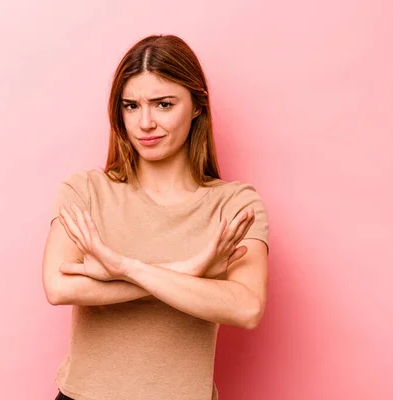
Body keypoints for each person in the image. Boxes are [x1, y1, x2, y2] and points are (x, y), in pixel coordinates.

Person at [42, 34, 270, 400]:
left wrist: (125, 267)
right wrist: (191, 268)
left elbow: (245, 307)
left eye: (163, 104)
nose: (145, 123)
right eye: (131, 106)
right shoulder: (85, 190)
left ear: (197, 105)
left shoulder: (234, 204)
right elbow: (59, 287)